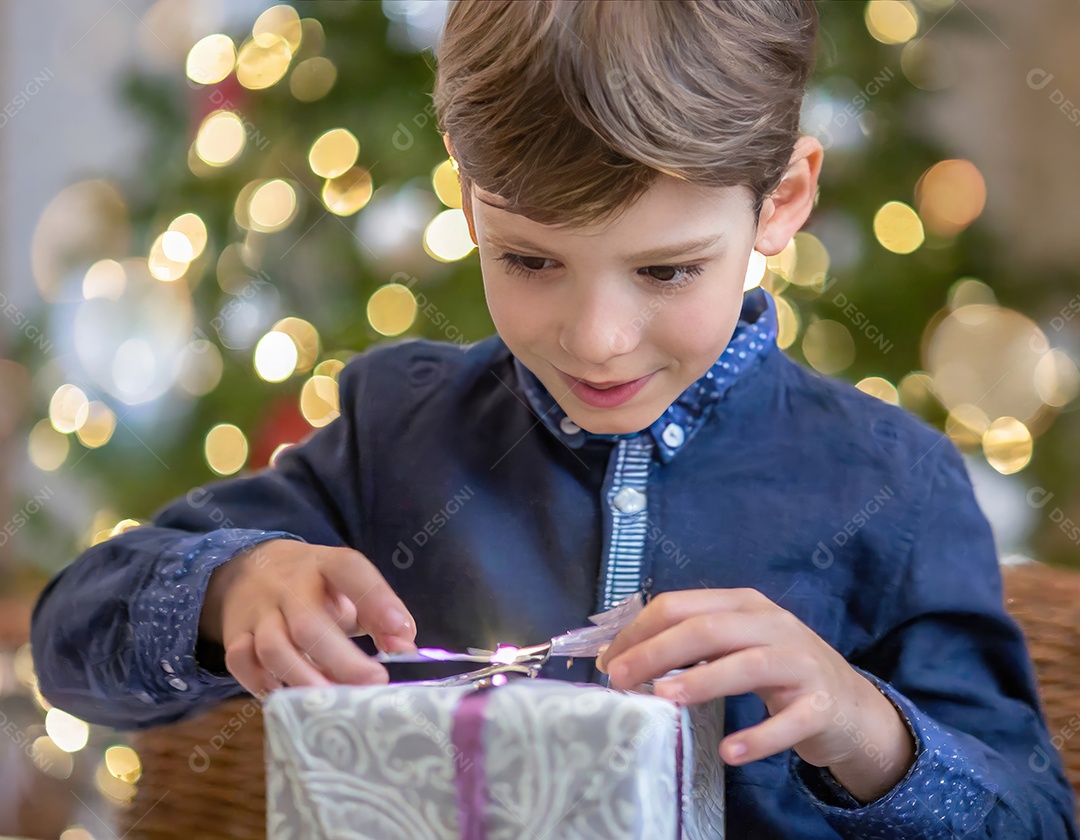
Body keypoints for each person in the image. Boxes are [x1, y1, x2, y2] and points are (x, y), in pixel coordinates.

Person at [30, 1, 1079, 836]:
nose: (598, 339)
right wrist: (229, 590)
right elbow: (71, 643)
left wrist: (859, 726)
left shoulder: (892, 483)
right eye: (530, 260)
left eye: (667, 270)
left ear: (782, 201)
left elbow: (1035, 819)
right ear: (468, 191)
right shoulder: (396, 432)